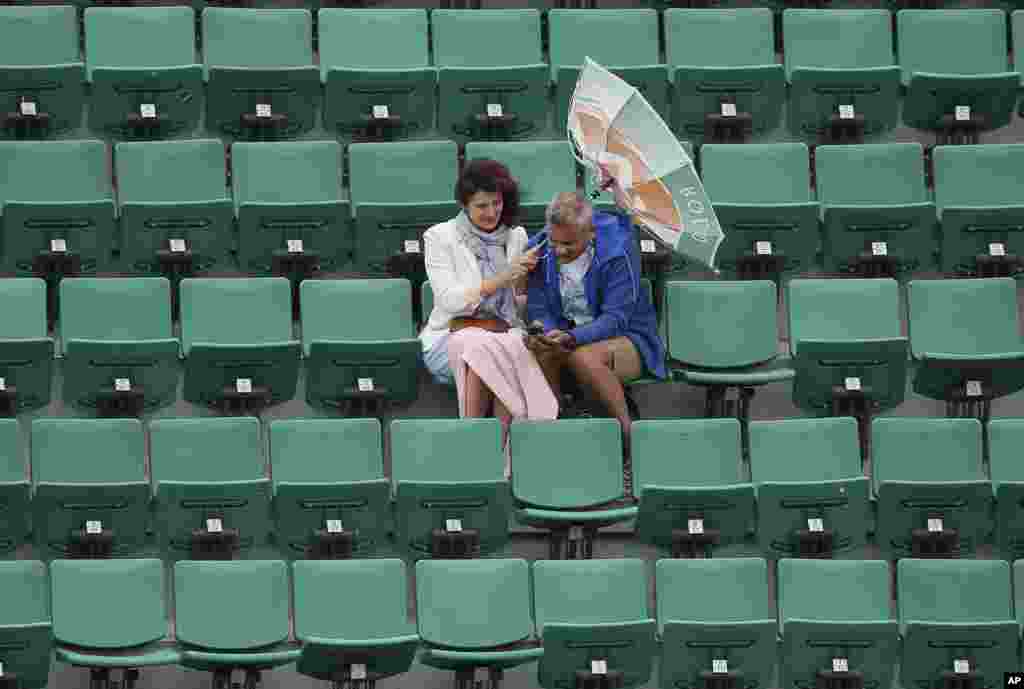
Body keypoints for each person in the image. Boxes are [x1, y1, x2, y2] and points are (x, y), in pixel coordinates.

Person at [420, 159, 558, 471]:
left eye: (497, 203)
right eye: (482, 205)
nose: (492, 212)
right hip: (451, 335)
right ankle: (476, 450)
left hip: (502, 331)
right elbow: (449, 300)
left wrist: (524, 278)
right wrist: (503, 277)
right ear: (464, 204)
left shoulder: (517, 236)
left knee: (507, 346)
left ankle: (500, 459)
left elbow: (516, 301)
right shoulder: (439, 237)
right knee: (480, 346)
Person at [525, 192, 668, 465]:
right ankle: (559, 427)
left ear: (590, 233)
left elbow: (616, 318)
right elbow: (539, 307)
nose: (559, 251)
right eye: (554, 241)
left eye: (568, 244)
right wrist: (546, 330)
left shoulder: (618, 252)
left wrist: (571, 337)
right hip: (568, 335)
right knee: (540, 350)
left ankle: (628, 437)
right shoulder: (542, 249)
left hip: (627, 337)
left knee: (584, 356)